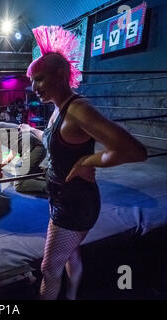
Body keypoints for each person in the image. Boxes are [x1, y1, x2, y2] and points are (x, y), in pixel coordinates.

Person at [26, 26, 147, 300]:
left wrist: (89, 160)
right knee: (70, 253)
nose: (34, 88)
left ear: (60, 75)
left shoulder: (78, 109)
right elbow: (57, 142)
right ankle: (71, 296)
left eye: (40, 79)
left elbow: (134, 150)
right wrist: (30, 131)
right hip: (60, 196)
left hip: (75, 203)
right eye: (33, 80)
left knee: (49, 267)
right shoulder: (59, 108)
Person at [0, 120, 46, 193]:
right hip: (39, 149)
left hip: (33, 150)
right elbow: (12, 154)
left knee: (19, 185)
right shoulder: (8, 129)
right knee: (18, 166)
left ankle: (50, 186)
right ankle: (45, 172)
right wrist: (0, 166)